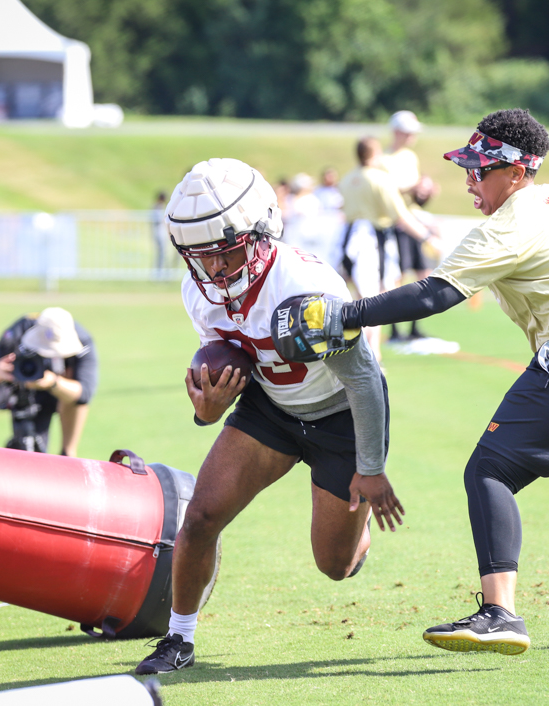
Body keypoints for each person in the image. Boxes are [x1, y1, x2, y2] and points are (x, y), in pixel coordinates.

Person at [282, 109, 549, 655]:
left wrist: (344, 314)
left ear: (518, 171)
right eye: (467, 168)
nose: (470, 179)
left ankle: (500, 614)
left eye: (481, 169)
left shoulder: (510, 222)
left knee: (489, 469)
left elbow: (433, 296)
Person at [134, 158, 404, 675]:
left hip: (339, 414)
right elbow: (225, 367)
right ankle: (178, 639)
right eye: (199, 256)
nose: (214, 270)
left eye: (225, 252)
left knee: (335, 565)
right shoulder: (199, 291)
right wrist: (207, 412)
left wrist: (369, 467)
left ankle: (355, 536)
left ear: (260, 231)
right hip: (271, 408)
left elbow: (366, 380)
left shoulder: (303, 282)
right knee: (200, 518)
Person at [339, 137, 436, 355]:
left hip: (349, 238)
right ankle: (370, 357)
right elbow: (401, 216)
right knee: (374, 302)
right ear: (374, 154)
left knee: (361, 298)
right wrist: (428, 236)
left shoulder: (347, 179)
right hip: (371, 240)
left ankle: (373, 354)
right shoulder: (380, 179)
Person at [0, 307, 97, 458]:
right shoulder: (20, 330)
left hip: (62, 394)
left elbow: (84, 394)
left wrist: (53, 382)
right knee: (30, 457)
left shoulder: (83, 340)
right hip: (24, 396)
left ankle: (68, 453)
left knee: (75, 399)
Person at [384, 110, 438, 340]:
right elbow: (387, 193)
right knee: (398, 276)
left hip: (414, 219)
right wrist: (413, 187)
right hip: (397, 223)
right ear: (397, 132)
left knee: (422, 273)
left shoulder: (410, 157)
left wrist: (425, 191)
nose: (412, 137)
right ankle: (395, 329)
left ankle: (415, 327)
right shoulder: (383, 159)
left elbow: (414, 197)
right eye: (408, 132)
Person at [151, 190, 168, 272]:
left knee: (162, 253)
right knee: (160, 253)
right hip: (158, 232)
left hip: (161, 232)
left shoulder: (160, 206)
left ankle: (160, 270)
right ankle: (158, 271)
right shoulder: (157, 207)